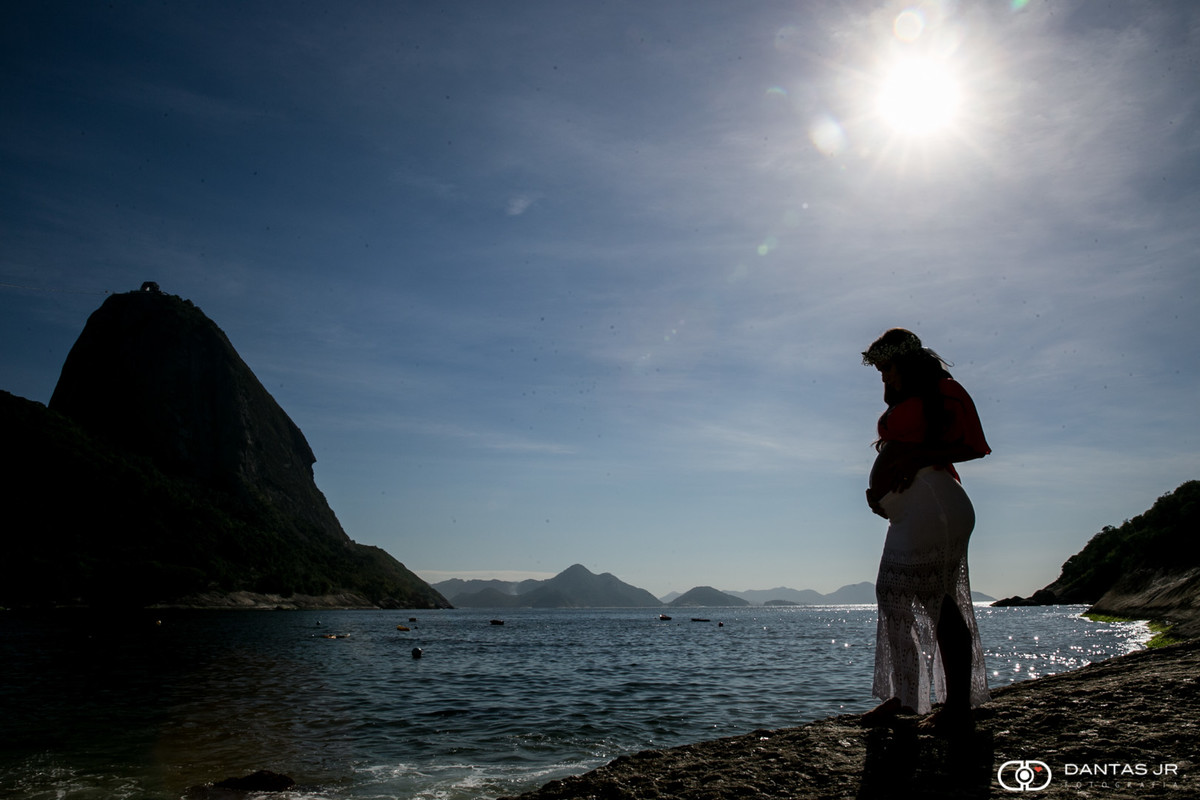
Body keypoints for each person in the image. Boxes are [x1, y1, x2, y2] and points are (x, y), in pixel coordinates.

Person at [859, 328, 991, 732]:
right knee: (897, 596)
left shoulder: (944, 391)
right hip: (912, 510)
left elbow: (974, 445)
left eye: (887, 368)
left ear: (908, 361)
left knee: (938, 602)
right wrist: (879, 493)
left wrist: (916, 456)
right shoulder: (904, 401)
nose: (884, 377)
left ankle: (955, 707)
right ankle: (906, 698)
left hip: (935, 505)